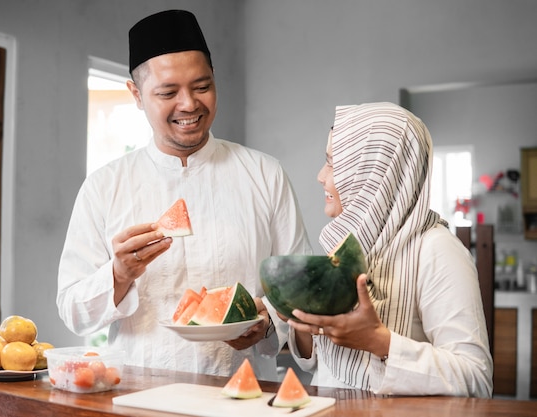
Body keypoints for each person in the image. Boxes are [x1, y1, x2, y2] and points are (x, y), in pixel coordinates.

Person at [56, 9, 312, 381]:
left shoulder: (265, 173)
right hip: (138, 393)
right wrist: (119, 273)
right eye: (168, 92)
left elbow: (297, 287)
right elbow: (73, 311)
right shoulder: (104, 186)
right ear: (137, 95)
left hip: (243, 391)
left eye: (202, 86)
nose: (189, 104)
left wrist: (269, 322)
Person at [286, 102, 493, 397]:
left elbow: (476, 379)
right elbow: (324, 366)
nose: (321, 175)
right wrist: (304, 321)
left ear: (374, 173)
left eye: (333, 163)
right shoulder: (349, 245)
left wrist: (378, 341)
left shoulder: (438, 250)